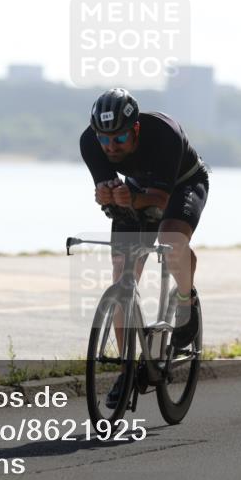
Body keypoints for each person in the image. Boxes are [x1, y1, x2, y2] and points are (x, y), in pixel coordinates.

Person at [79, 87, 210, 408]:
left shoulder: (163, 133)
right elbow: (114, 197)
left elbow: (160, 202)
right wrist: (108, 198)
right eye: (105, 140)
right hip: (138, 187)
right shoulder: (90, 143)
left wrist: (130, 197)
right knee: (122, 275)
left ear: (135, 128)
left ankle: (185, 299)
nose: (111, 147)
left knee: (171, 240)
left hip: (183, 184)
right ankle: (128, 368)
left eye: (120, 140)